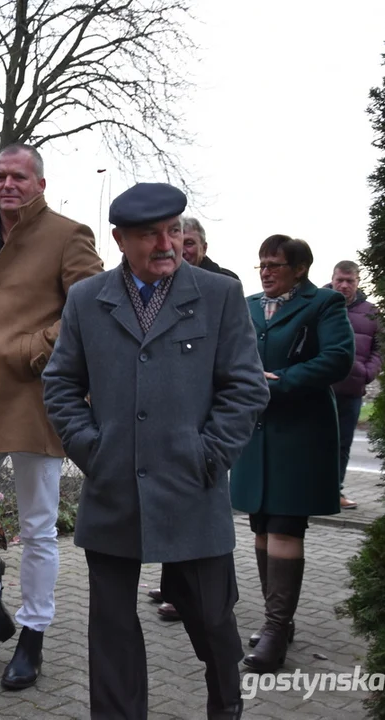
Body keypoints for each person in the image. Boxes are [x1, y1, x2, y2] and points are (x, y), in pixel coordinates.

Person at [42, 182, 269, 720]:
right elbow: (60, 385)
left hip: (193, 485)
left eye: (174, 230)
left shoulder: (217, 295)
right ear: (120, 239)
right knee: (113, 629)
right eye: (150, 234)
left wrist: (209, 455)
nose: (167, 243)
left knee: (213, 617)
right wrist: (93, 451)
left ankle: (226, 704)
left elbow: (246, 387)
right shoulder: (87, 299)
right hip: (113, 486)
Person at [0, 144, 103, 690]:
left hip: (36, 397)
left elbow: (90, 306)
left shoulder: (68, 234)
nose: (7, 184)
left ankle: (32, 635)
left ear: (40, 184)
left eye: (18, 177)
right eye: (0, 176)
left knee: (37, 529)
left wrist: (36, 349)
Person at [231, 235, 355, 672]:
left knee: (285, 526)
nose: (265, 272)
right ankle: (276, 624)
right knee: (262, 525)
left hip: (299, 433)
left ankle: (276, 628)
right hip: (256, 432)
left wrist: (280, 380)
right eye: (261, 264)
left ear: (299, 269)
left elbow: (339, 358)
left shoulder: (323, 304)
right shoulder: (246, 306)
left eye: (275, 265)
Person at [151, 218, 237, 623]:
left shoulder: (221, 285)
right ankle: (173, 589)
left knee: (205, 518)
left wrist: (213, 448)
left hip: (204, 431)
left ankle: (211, 596)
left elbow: (238, 375)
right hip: (164, 428)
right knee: (171, 513)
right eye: (175, 241)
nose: (180, 248)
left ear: (201, 244)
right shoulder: (159, 285)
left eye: (188, 241)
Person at [326, 260, 382, 510]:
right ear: (333, 278)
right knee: (313, 442)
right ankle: (309, 492)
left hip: (351, 391)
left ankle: (333, 492)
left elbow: (380, 349)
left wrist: (367, 373)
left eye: (350, 281)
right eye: (340, 280)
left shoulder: (371, 312)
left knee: (342, 445)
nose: (344, 285)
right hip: (319, 390)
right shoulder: (318, 305)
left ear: (358, 282)